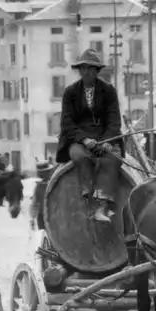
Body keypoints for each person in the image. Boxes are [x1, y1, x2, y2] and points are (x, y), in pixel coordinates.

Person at [56, 48, 122, 224]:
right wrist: (84, 139)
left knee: (112, 158)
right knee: (80, 156)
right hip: (79, 140)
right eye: (83, 68)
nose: (86, 72)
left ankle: (103, 206)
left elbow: (114, 120)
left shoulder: (108, 90)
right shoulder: (70, 92)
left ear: (97, 71)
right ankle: (88, 196)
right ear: (79, 70)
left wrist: (108, 141)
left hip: (104, 138)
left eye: (90, 68)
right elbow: (67, 123)